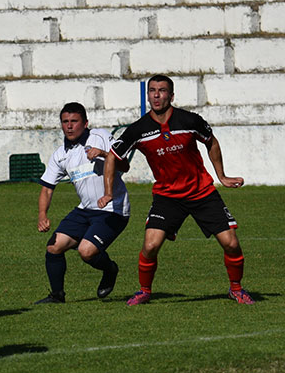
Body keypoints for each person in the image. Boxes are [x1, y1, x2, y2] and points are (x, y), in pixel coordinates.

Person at [99, 74, 253, 306]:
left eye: (162, 90)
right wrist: (108, 192)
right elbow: (112, 156)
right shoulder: (138, 129)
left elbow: (211, 141)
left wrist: (221, 176)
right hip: (167, 197)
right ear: (147, 95)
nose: (156, 95)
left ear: (171, 96)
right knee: (150, 246)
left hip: (201, 192)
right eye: (152, 90)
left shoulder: (189, 120)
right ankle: (144, 291)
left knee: (231, 243)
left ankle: (236, 289)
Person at [34, 102, 127, 304]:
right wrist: (42, 215)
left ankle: (110, 269)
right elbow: (47, 188)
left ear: (85, 123)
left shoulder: (100, 136)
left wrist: (104, 154)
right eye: (65, 121)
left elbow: (124, 165)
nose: (69, 126)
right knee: (53, 247)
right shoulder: (61, 154)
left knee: (86, 252)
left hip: (113, 209)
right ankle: (57, 296)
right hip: (85, 210)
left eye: (74, 121)